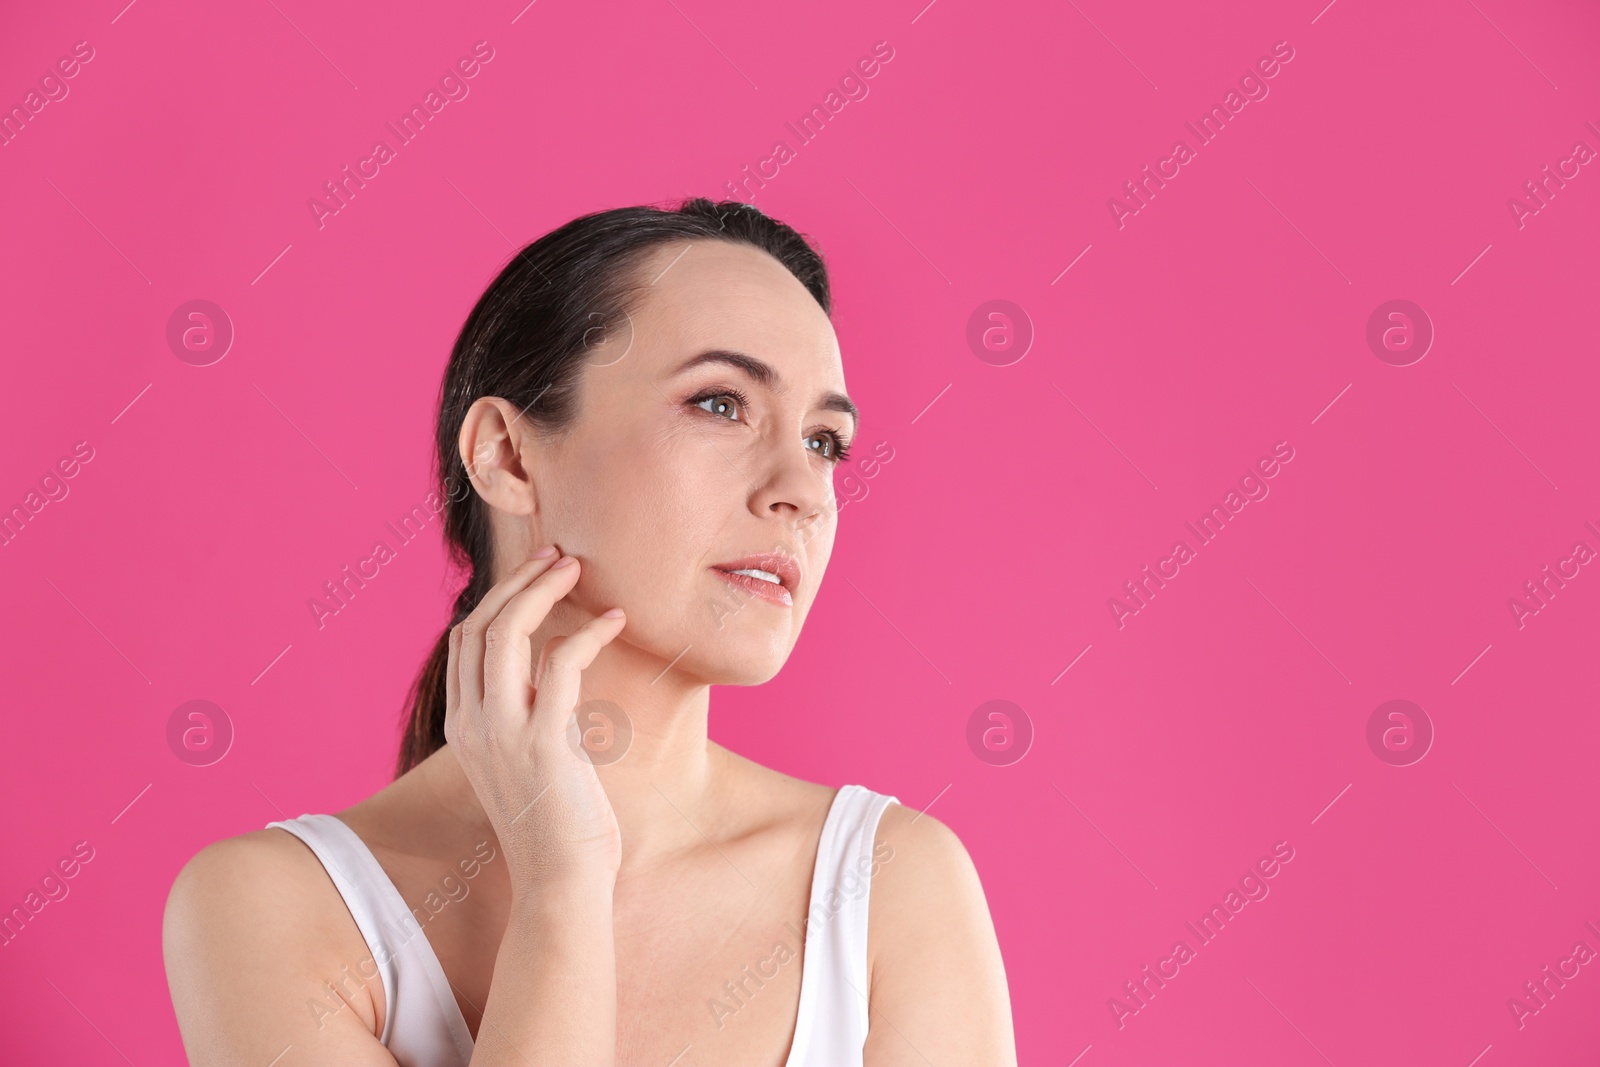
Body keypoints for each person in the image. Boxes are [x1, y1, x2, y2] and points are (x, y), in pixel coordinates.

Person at [161, 198, 1017, 1066]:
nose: (803, 486)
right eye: (721, 403)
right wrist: (560, 879)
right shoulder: (273, 906)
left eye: (827, 441)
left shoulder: (890, 885)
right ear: (508, 454)